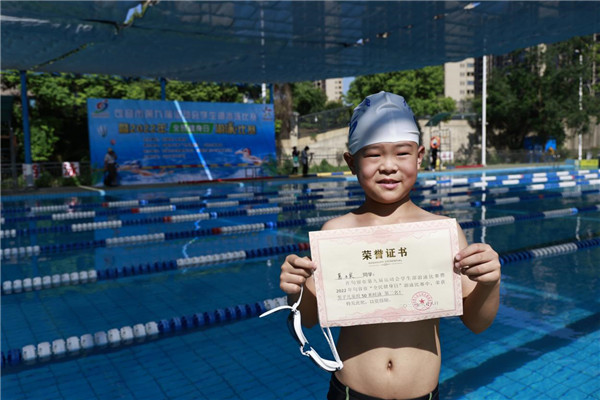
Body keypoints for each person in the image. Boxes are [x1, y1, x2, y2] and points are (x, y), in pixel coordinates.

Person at [279, 92, 501, 400]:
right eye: (373, 155)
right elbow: (309, 319)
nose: (388, 166)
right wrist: (296, 289)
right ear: (351, 162)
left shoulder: (442, 232)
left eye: (402, 153)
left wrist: (489, 283)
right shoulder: (337, 234)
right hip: (351, 392)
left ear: (419, 156)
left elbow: (476, 322)